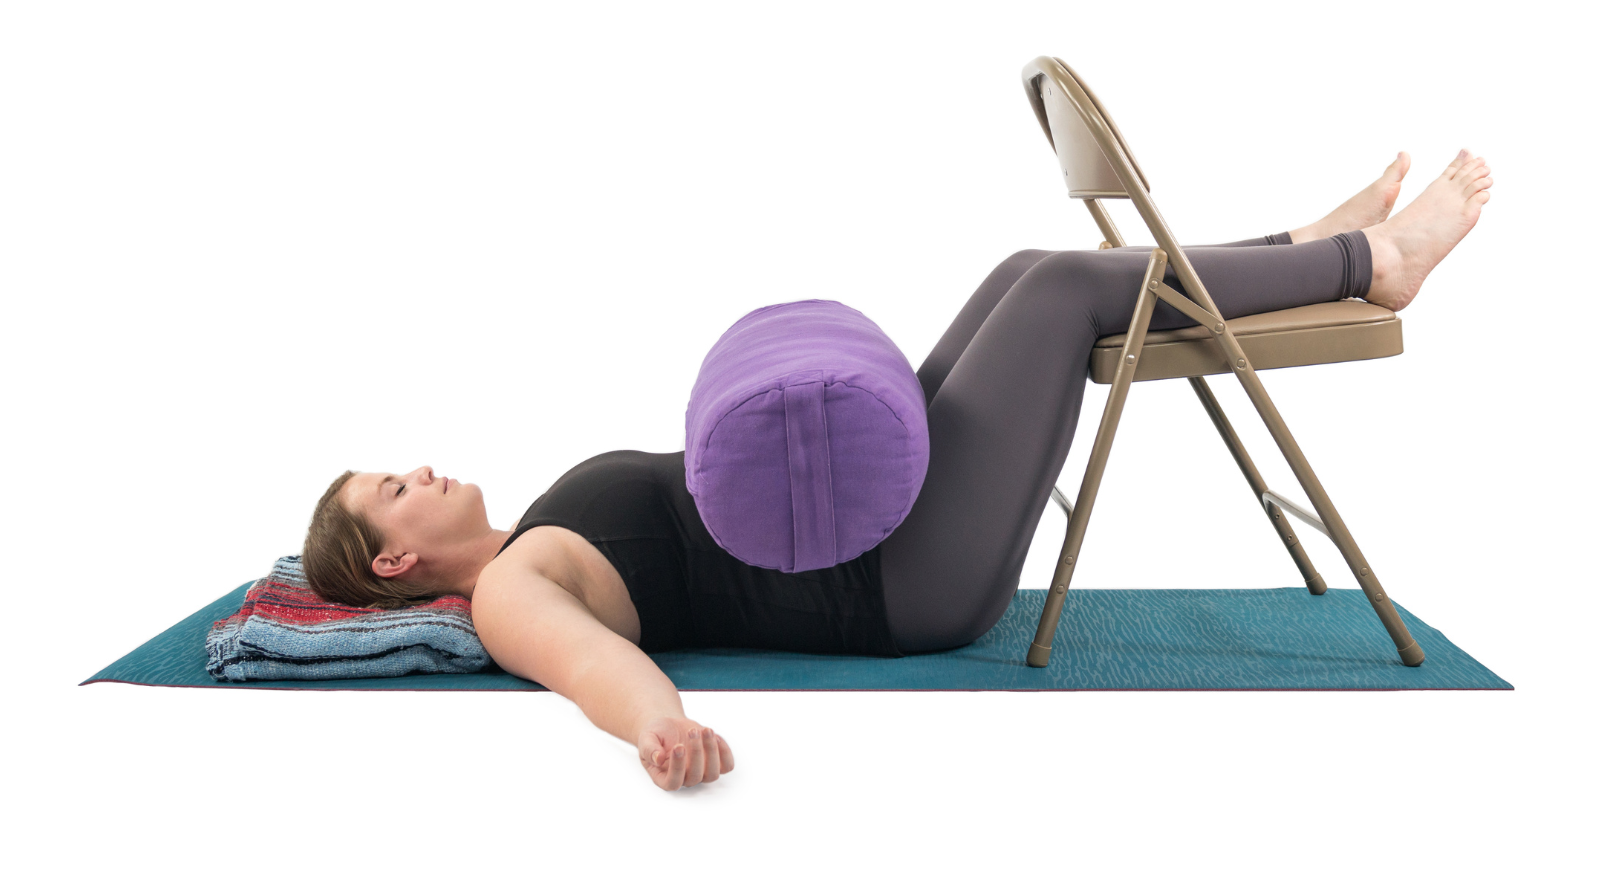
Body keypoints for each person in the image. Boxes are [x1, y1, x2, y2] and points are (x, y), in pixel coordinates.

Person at [301, 150, 1492, 791]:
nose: (415, 469)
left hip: (879, 528)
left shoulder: (530, 534)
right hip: (898, 586)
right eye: (390, 491)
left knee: (1026, 268)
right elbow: (590, 666)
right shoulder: (510, 593)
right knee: (1068, 294)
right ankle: (1368, 263)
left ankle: (1301, 248)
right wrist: (660, 729)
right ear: (398, 560)